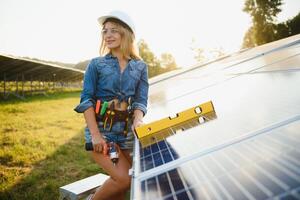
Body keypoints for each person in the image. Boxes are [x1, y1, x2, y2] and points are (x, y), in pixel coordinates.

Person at [74, 10, 149, 200]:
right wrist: (96, 136)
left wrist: (138, 120)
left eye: (114, 30)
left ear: (126, 33)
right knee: (124, 180)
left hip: (127, 135)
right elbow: (86, 100)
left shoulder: (140, 67)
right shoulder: (96, 64)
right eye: (105, 31)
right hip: (103, 134)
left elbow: (141, 100)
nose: (108, 35)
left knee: (125, 185)